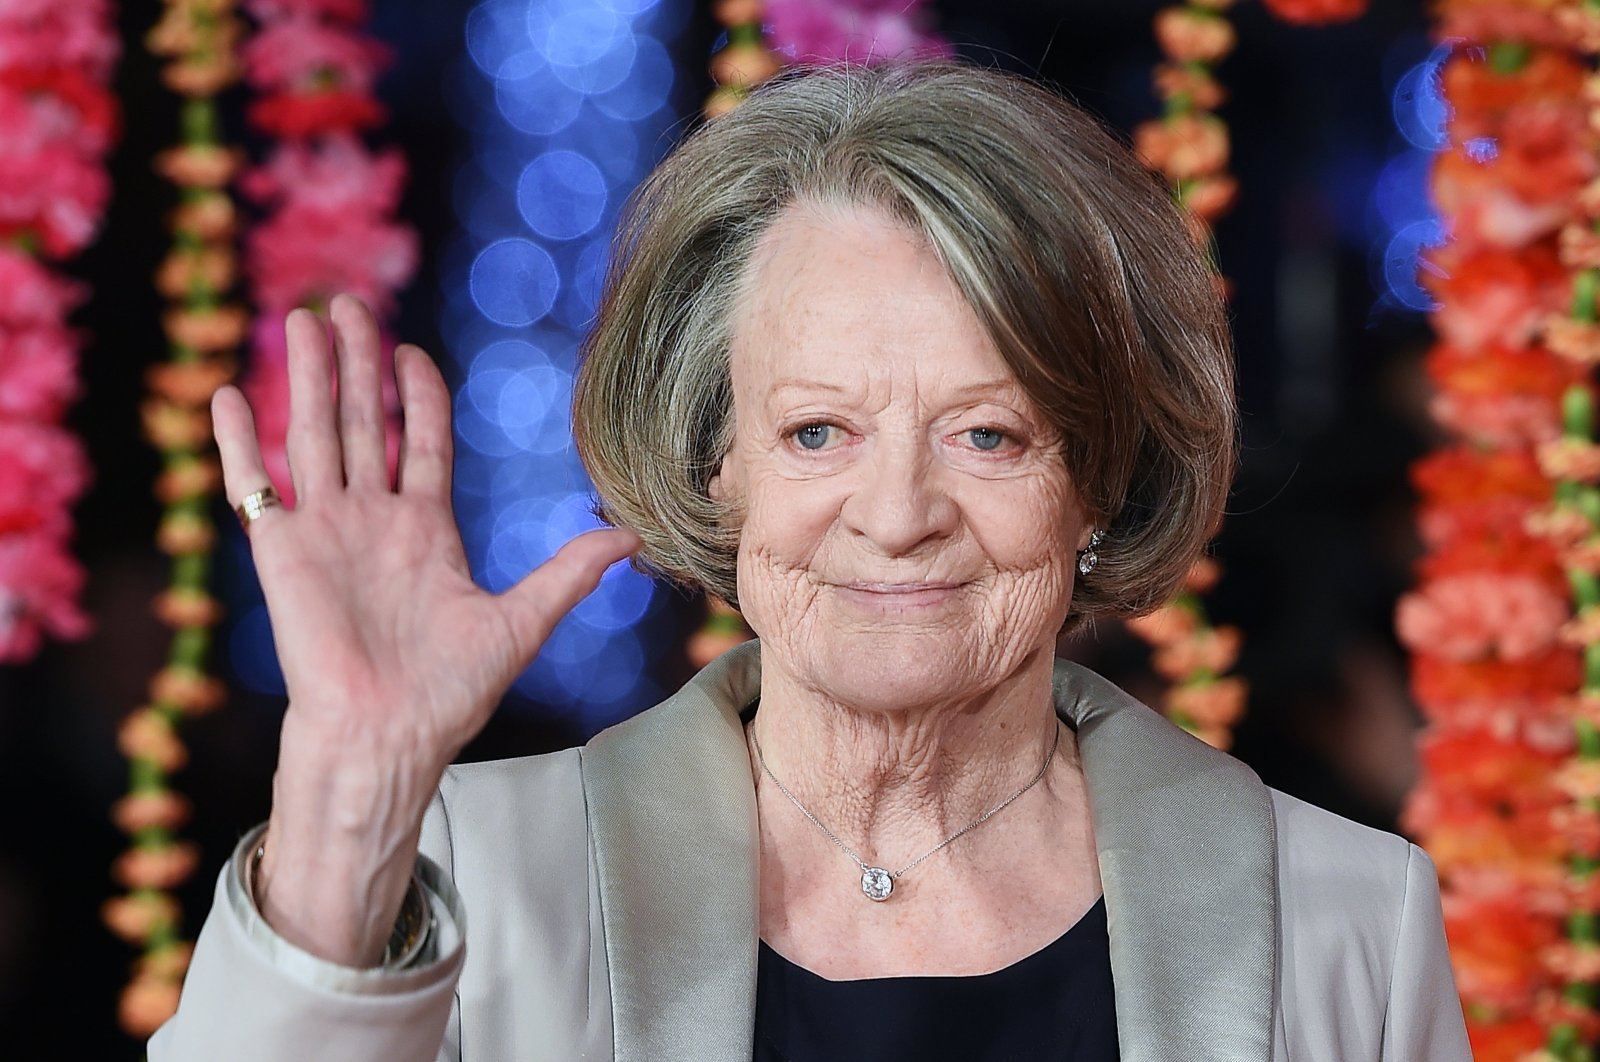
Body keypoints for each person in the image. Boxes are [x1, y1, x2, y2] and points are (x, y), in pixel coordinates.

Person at [150, 62, 1470, 1060]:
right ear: (721, 463)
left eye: (990, 432)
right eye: (818, 428)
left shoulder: (1348, 914)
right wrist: (350, 797)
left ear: (1098, 477)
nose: (896, 512)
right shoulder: (460, 877)